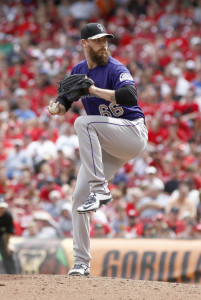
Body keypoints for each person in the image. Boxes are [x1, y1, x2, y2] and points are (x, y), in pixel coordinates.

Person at [48, 23, 148, 276]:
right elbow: (66, 98)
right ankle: (81, 263)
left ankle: (100, 189)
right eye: (97, 40)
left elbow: (130, 96)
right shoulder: (79, 70)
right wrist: (58, 107)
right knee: (79, 200)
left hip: (131, 133)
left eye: (105, 39)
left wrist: (92, 90)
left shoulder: (115, 68)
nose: (103, 44)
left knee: (83, 123)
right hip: (108, 145)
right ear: (84, 43)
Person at [0, 196, 16, 274]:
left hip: (2, 236)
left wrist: (7, 245)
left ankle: (12, 276)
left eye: (3, 207)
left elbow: (8, 232)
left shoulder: (7, 216)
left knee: (8, 253)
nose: (1, 209)